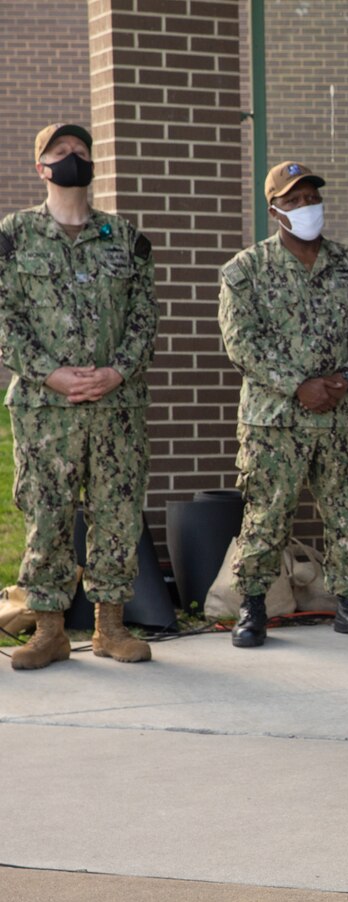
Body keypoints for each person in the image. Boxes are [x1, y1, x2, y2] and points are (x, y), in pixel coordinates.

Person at [0, 122, 156, 670]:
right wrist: (52, 374)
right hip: (46, 409)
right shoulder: (13, 236)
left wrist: (116, 372)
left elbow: (144, 319)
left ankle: (109, 627)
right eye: (61, 151)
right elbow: (5, 320)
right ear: (40, 167)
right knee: (46, 513)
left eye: (81, 151)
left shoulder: (126, 236)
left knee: (116, 514)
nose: (73, 158)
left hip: (116, 406)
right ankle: (48, 631)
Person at [219, 161, 348, 648]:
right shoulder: (246, 271)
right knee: (265, 515)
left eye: (311, 198)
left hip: (343, 416)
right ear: (274, 210)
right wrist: (298, 385)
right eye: (293, 201)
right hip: (274, 422)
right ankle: (252, 606)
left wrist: (347, 376)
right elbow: (240, 341)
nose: (306, 207)